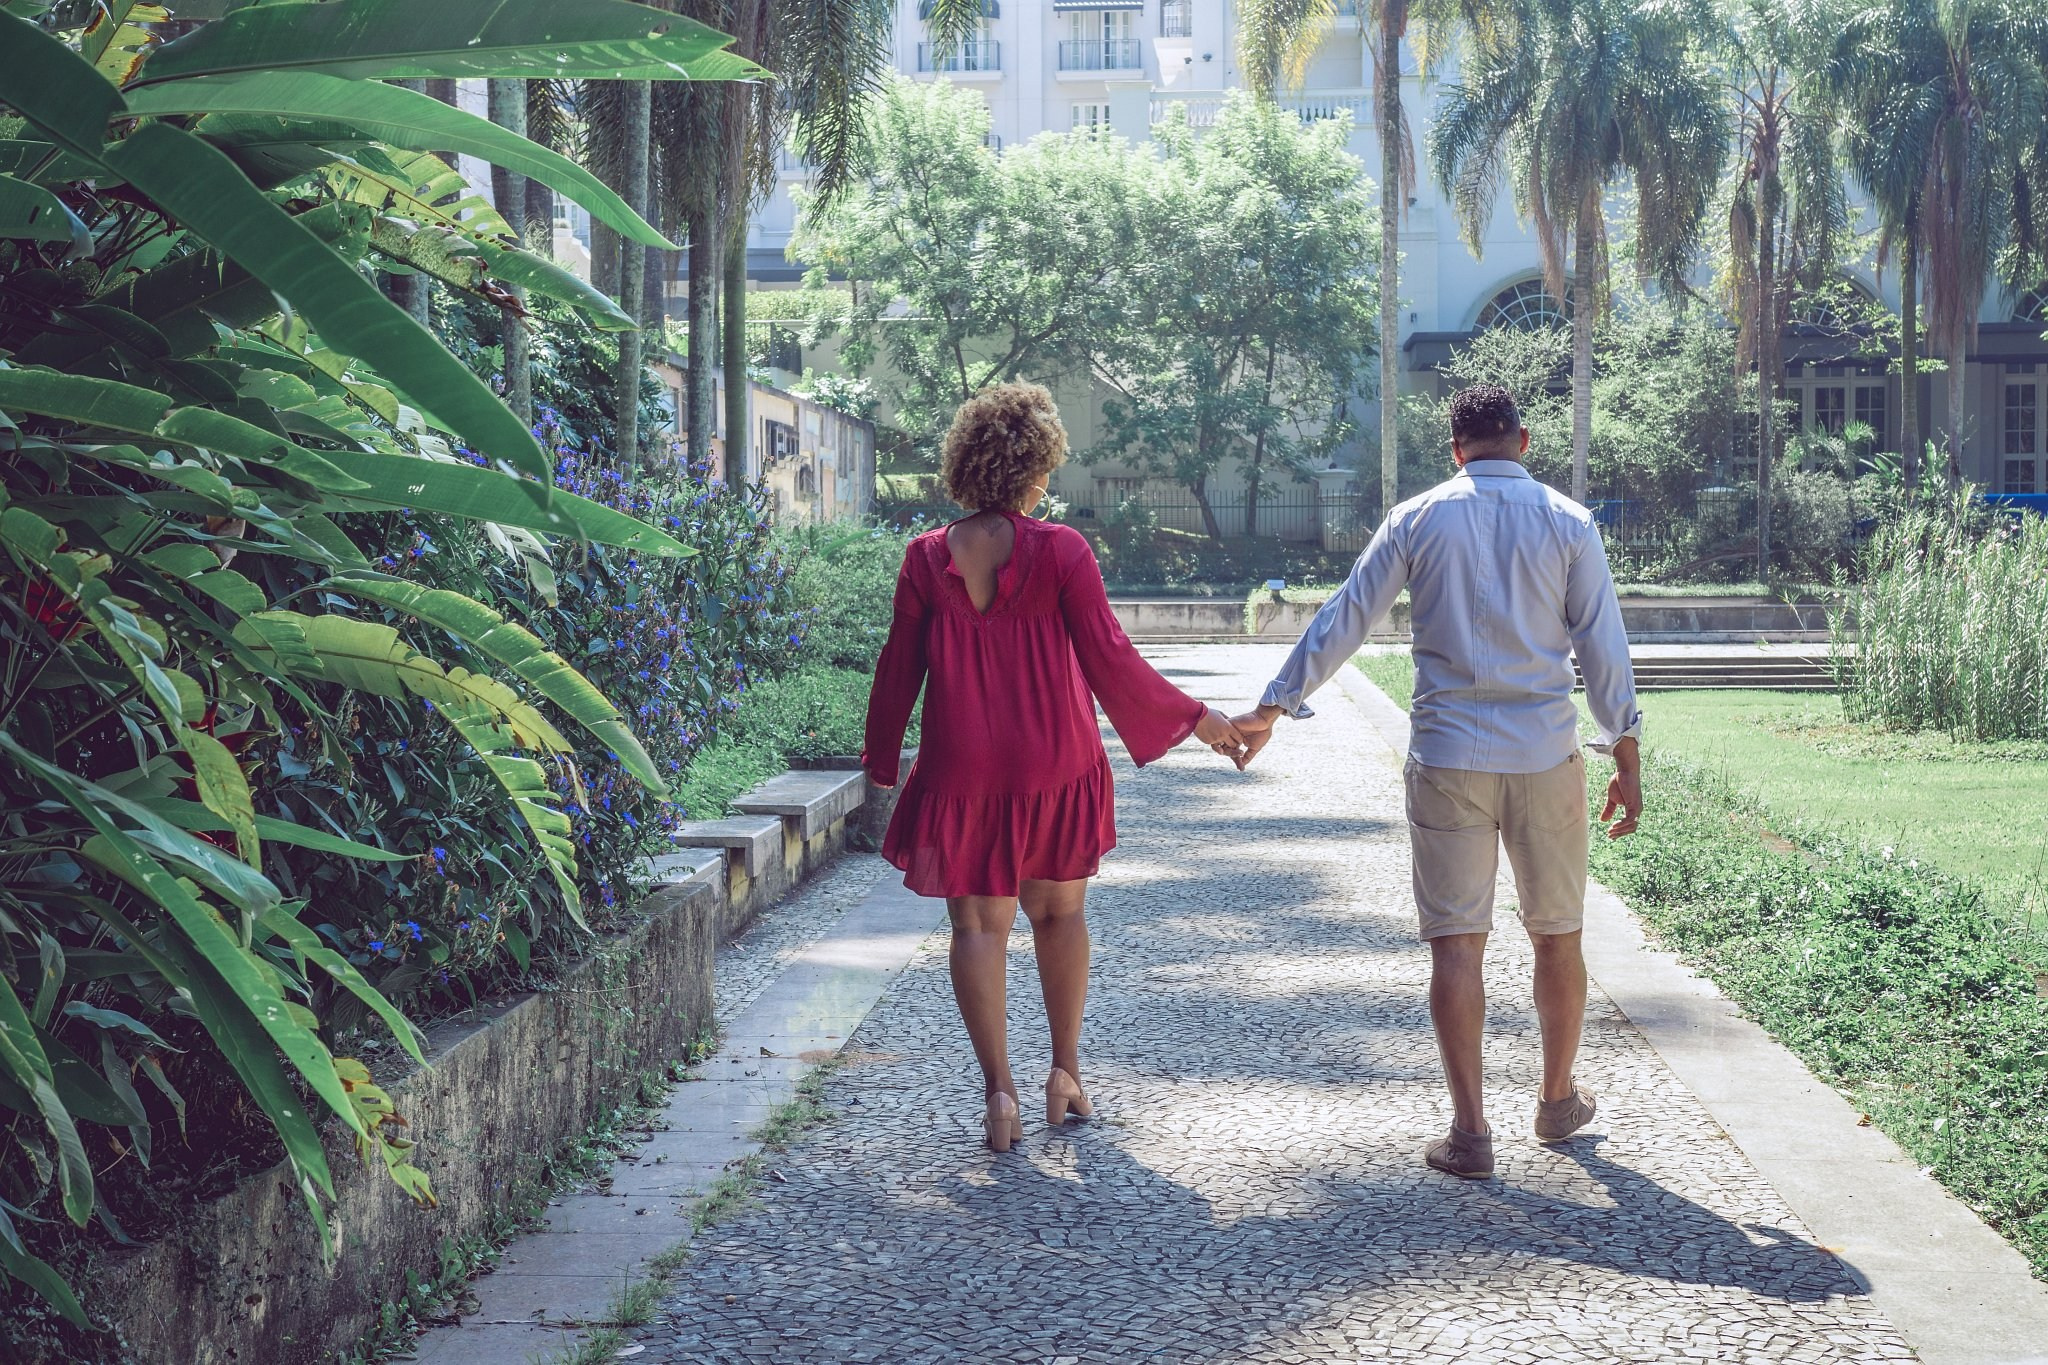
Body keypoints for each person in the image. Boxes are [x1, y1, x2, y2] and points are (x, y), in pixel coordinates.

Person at [1232, 383, 1643, 1179]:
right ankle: (1557, 1100)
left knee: (1457, 944)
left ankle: (1470, 1133)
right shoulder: (1569, 522)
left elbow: (1346, 616)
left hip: (1449, 756)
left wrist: (1273, 705)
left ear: (1454, 449)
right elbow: (1603, 647)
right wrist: (1624, 754)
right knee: (1557, 933)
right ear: (1523, 440)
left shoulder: (1417, 518)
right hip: (1544, 755)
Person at [862, 382, 1250, 1153]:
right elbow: (1111, 656)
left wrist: (879, 755)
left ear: (966, 463)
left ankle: (998, 1093)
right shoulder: (1063, 550)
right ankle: (1064, 1074)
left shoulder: (926, 557)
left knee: (978, 924)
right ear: (1034, 469)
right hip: (1055, 758)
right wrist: (1197, 717)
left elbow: (898, 666)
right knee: (1059, 914)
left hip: (963, 762)